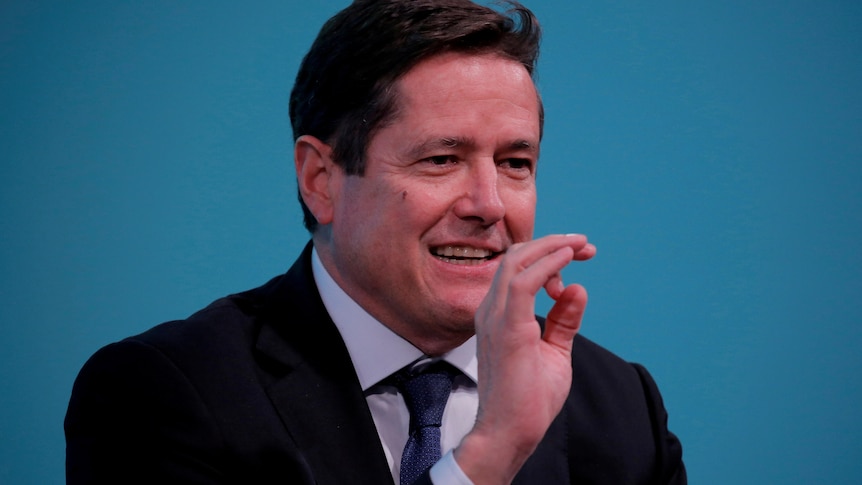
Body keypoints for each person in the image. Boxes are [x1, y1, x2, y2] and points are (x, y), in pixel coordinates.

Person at [65, 0, 686, 483]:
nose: (490, 204)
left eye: (516, 162)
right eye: (442, 159)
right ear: (320, 180)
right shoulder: (165, 391)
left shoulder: (620, 405)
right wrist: (489, 455)